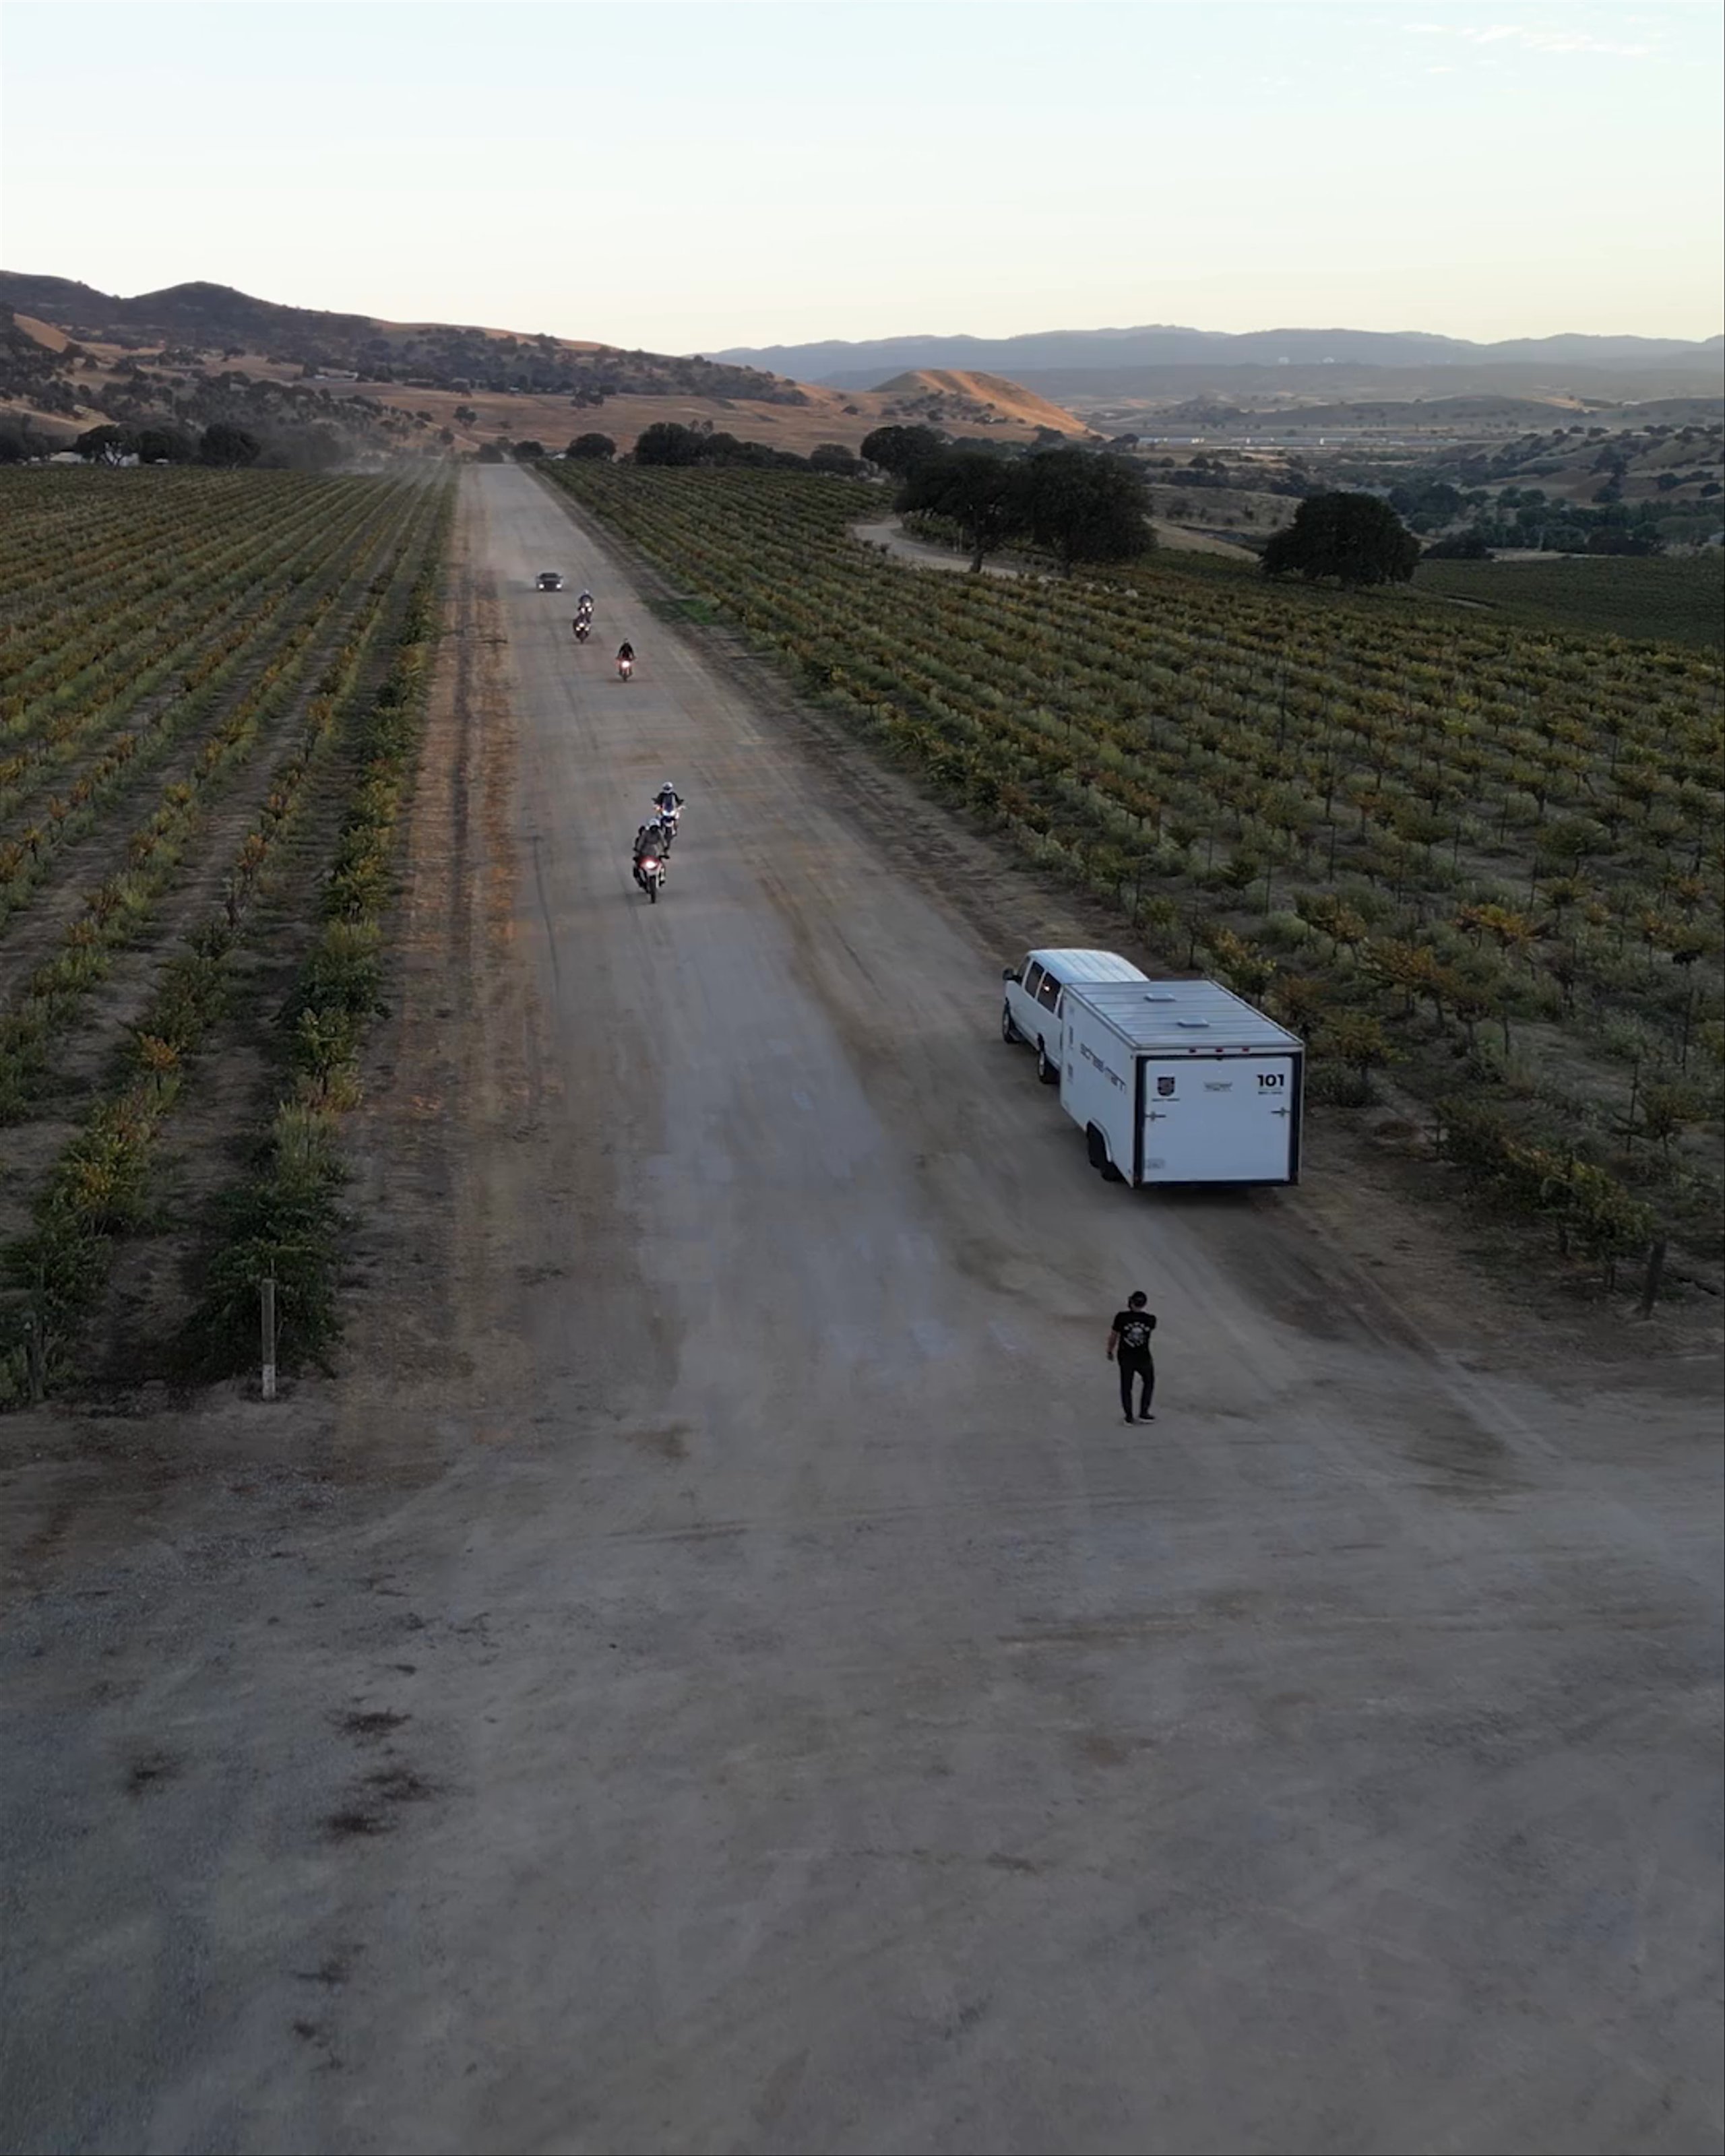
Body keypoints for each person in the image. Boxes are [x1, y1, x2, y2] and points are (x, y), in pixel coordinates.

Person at [1106, 1292, 1157, 1424]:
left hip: (1126, 1356)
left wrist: (1110, 1350)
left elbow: (1114, 1336)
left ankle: (1129, 1416)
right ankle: (1144, 1412)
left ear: (1131, 1302)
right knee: (1149, 1382)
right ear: (1144, 1304)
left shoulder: (1121, 1317)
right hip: (1144, 1357)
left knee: (1126, 1386)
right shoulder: (1151, 1320)